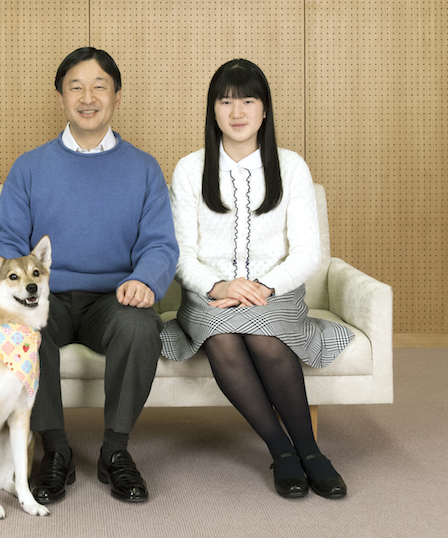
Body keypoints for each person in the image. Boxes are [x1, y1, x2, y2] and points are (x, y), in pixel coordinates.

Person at [0, 47, 178, 504]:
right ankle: (55, 452)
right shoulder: (30, 167)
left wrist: (145, 281)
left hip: (112, 298)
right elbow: (6, 241)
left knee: (140, 327)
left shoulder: (144, 168)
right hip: (44, 296)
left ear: (116, 96)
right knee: (24, 331)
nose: (87, 97)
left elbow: (160, 243)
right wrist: (25, 290)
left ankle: (116, 453)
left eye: (99, 87)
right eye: (76, 86)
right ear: (60, 98)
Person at [161, 59, 353, 499]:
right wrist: (218, 286)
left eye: (248, 100)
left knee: (265, 338)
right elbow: (181, 255)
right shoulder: (190, 169)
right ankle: (283, 450)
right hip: (210, 295)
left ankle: (310, 449)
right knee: (224, 338)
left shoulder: (292, 166)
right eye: (225, 101)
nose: (237, 111)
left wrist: (265, 287)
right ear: (213, 111)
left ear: (265, 110)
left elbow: (309, 252)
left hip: (277, 291)